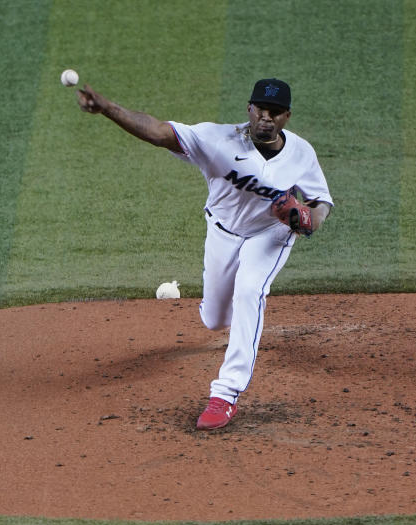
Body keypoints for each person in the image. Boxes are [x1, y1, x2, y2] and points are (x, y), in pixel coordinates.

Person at [76, 77, 333, 431]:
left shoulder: (301, 153)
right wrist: (107, 109)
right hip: (223, 231)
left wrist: (306, 219)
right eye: (260, 109)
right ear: (249, 109)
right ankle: (225, 320)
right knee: (214, 320)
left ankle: (225, 394)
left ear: (287, 116)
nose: (266, 118)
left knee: (249, 291)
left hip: (269, 234)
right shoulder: (218, 140)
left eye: (274, 112)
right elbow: (157, 131)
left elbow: (320, 204)